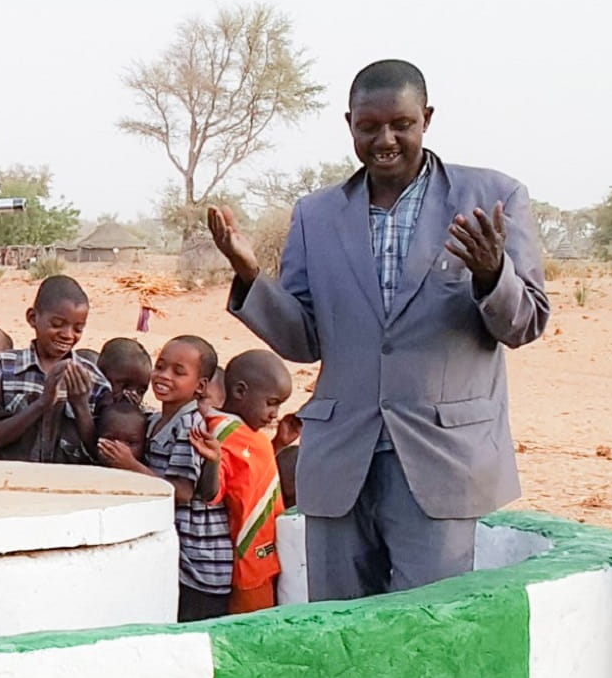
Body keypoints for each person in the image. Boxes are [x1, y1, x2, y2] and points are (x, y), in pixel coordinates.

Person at [210, 59, 547, 601]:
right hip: (341, 459)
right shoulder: (316, 215)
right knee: (340, 635)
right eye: (368, 127)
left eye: (401, 124)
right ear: (349, 124)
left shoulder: (491, 197)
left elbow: (526, 323)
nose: (384, 140)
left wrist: (491, 273)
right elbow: (304, 340)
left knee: (427, 633)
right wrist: (252, 276)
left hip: (441, 459)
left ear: (426, 119)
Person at [97, 336, 229, 622]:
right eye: (160, 366)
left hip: (202, 564)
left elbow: (182, 492)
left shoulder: (187, 425)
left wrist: (130, 465)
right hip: (184, 557)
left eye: (178, 372)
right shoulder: (157, 420)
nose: (164, 376)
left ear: (200, 386)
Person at [0, 275, 108, 463]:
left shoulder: (94, 380)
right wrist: (42, 403)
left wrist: (80, 405)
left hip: (70, 487)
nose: (67, 335)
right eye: (57, 324)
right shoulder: (4, 368)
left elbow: (102, 455)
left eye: (78, 329)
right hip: (10, 482)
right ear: (33, 318)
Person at [205, 350, 294, 613]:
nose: (274, 414)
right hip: (248, 562)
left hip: (266, 555)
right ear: (240, 391)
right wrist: (212, 459)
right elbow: (212, 492)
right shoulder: (221, 434)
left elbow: (252, 479)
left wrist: (277, 443)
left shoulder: (245, 434)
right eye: (271, 403)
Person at [98, 337, 154, 409]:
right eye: (124, 386)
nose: (132, 395)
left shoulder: (140, 415)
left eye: (141, 391)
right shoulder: (86, 405)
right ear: (101, 376)